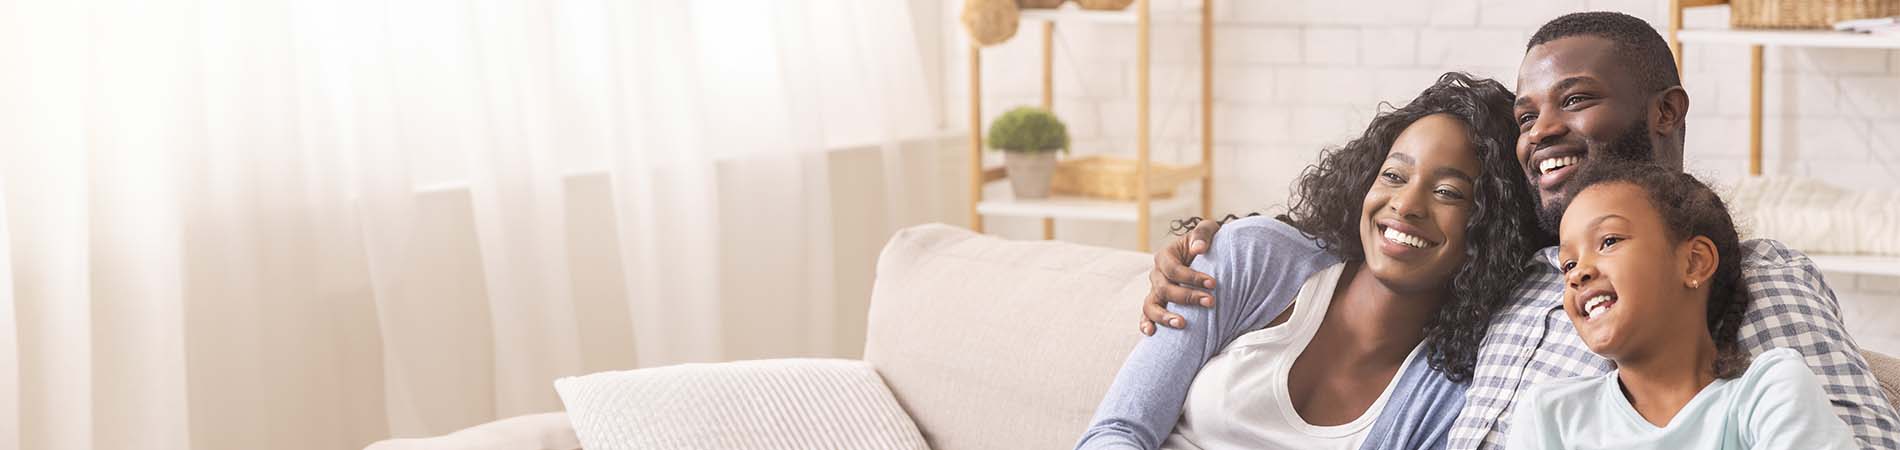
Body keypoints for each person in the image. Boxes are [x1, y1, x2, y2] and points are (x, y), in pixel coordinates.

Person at [1136, 11, 1900, 450]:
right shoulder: (1498, 274)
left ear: (1666, 112)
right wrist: (1207, 242)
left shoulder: (1747, 272)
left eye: (1575, 100)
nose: (1541, 133)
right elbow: (1374, 244)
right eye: (1527, 118)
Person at [1075, 73, 1541, 449]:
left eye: (1448, 193)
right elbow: (1116, 431)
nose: (1406, 205)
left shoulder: (1448, 393)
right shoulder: (1254, 258)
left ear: (1493, 226)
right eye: (1394, 175)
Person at [1507, 162, 1855, 448]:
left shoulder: (1767, 391)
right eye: (1567, 264)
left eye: (1609, 241)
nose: (1578, 273)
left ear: (1694, 262)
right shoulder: (1549, 414)